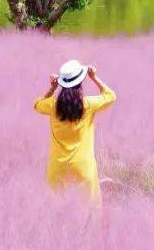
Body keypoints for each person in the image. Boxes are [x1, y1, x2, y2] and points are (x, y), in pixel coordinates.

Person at [34, 58, 116, 202]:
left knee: (56, 212)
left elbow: (37, 104)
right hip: (83, 166)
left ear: (62, 83)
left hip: (57, 167)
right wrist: (94, 77)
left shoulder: (52, 105)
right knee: (91, 212)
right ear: (80, 81)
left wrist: (52, 89)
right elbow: (111, 96)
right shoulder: (88, 104)